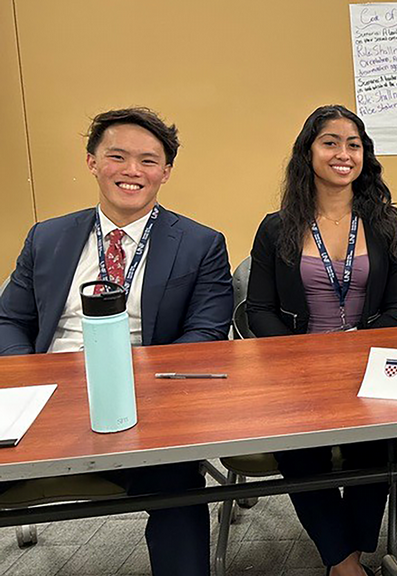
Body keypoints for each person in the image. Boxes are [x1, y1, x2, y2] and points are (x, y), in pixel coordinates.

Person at [0, 107, 233, 576]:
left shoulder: (200, 243)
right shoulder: (47, 238)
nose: (132, 171)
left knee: (179, 491)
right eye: (117, 156)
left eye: (148, 161)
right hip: (48, 402)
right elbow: (9, 320)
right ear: (92, 161)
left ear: (165, 172)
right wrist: (36, 381)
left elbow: (204, 337)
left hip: (144, 405)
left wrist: (128, 383)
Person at [246, 104, 397, 576]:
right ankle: (347, 566)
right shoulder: (276, 227)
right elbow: (258, 309)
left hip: (368, 366)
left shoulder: (388, 223)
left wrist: (355, 351)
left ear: (365, 156)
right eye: (331, 142)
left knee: (378, 448)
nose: (343, 153)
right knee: (300, 453)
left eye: (354, 144)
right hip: (295, 371)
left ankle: (347, 560)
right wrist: (307, 357)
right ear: (309, 152)